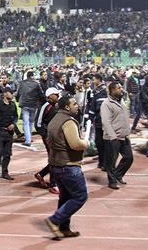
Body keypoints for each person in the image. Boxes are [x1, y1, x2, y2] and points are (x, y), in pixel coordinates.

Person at [45, 95, 90, 239]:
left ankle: (64, 227)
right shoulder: (68, 121)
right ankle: (55, 220)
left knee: (65, 197)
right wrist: (86, 143)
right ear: (66, 107)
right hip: (68, 165)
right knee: (80, 196)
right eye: (74, 104)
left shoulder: (54, 120)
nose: (77, 106)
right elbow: (75, 144)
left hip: (55, 164)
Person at [100, 81, 134, 190]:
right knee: (111, 161)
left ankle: (118, 175)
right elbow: (106, 122)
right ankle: (112, 181)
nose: (121, 89)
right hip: (113, 138)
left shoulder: (121, 101)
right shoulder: (106, 104)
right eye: (119, 88)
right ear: (113, 90)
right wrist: (112, 136)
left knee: (129, 157)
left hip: (124, 136)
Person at [0, 86, 19, 181]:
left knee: (7, 154)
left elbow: (15, 116)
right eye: (10, 93)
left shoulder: (13, 105)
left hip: (9, 133)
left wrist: (13, 124)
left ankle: (5, 172)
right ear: (5, 93)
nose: (12, 95)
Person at [34, 87, 61, 194]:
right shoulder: (46, 106)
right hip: (49, 137)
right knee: (54, 159)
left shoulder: (55, 107)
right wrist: (45, 136)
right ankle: (54, 184)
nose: (58, 96)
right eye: (56, 95)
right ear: (50, 96)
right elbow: (38, 123)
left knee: (57, 158)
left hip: (56, 136)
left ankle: (41, 174)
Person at [15, 70, 44, 147]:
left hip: (25, 104)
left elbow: (18, 93)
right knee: (31, 122)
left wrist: (18, 100)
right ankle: (29, 138)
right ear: (31, 76)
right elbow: (41, 94)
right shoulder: (36, 84)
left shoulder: (22, 83)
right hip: (34, 104)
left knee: (26, 122)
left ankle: (28, 140)